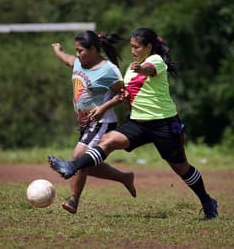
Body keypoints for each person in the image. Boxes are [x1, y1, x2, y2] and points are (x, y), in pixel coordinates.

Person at [49, 28, 218, 220]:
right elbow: (125, 93)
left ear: (148, 46)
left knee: (181, 168)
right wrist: (107, 104)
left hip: (163, 124)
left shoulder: (155, 61)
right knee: (108, 140)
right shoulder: (130, 67)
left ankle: (207, 202)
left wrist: (141, 69)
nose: (132, 51)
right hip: (138, 122)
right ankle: (72, 167)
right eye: (131, 47)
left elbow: (149, 71)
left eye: (136, 47)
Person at [51, 30, 136, 214]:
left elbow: (123, 94)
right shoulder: (78, 63)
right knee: (88, 164)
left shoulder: (108, 70)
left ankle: (73, 201)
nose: (77, 54)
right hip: (86, 124)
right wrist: (57, 50)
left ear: (93, 50)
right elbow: (67, 59)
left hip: (103, 122)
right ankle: (124, 177)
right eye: (76, 50)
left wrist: (103, 108)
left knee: (78, 158)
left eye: (80, 50)